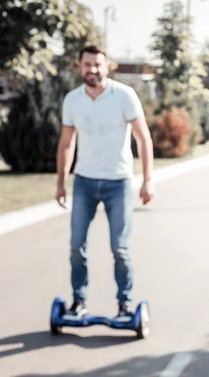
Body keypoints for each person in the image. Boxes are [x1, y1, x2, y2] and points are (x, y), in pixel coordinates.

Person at [55, 45, 155, 318]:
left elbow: (143, 138)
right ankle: (79, 301)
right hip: (85, 182)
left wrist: (148, 180)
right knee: (77, 247)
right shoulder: (73, 100)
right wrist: (61, 182)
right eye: (87, 64)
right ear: (80, 67)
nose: (93, 70)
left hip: (118, 182)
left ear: (107, 66)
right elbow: (66, 143)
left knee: (120, 249)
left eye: (98, 64)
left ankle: (124, 304)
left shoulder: (124, 95)